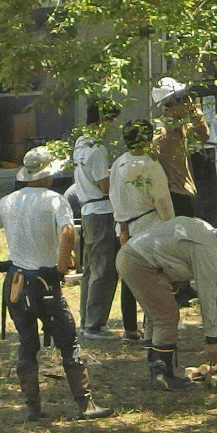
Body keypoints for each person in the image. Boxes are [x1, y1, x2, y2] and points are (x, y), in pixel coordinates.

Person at [0, 147, 112, 422]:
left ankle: (33, 407)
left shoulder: (9, 201)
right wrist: (61, 266)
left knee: (27, 343)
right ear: (47, 175)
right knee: (68, 343)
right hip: (45, 283)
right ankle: (86, 405)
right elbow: (69, 231)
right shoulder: (55, 200)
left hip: (16, 281)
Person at [117, 211, 217, 390]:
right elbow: (207, 296)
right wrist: (212, 340)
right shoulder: (210, 250)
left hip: (131, 255)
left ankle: (155, 372)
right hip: (138, 261)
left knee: (155, 316)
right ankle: (162, 376)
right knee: (166, 318)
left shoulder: (204, 233)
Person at [108, 119, 173, 342]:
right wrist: (170, 226)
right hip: (147, 227)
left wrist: (121, 223)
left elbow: (113, 194)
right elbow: (163, 202)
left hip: (123, 226)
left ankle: (130, 328)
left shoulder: (118, 163)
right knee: (150, 278)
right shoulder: (151, 167)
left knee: (128, 277)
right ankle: (150, 326)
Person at [71, 116, 119, 340]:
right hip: (100, 210)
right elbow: (104, 185)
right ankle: (94, 324)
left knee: (90, 268)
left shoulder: (81, 142)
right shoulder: (97, 149)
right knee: (104, 268)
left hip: (87, 209)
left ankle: (86, 320)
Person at [150, 77, 199, 220]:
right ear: (172, 104)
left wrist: (196, 112)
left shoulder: (179, 126)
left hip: (185, 193)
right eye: (183, 99)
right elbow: (151, 158)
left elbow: (203, 134)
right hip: (175, 196)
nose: (187, 102)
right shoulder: (163, 132)